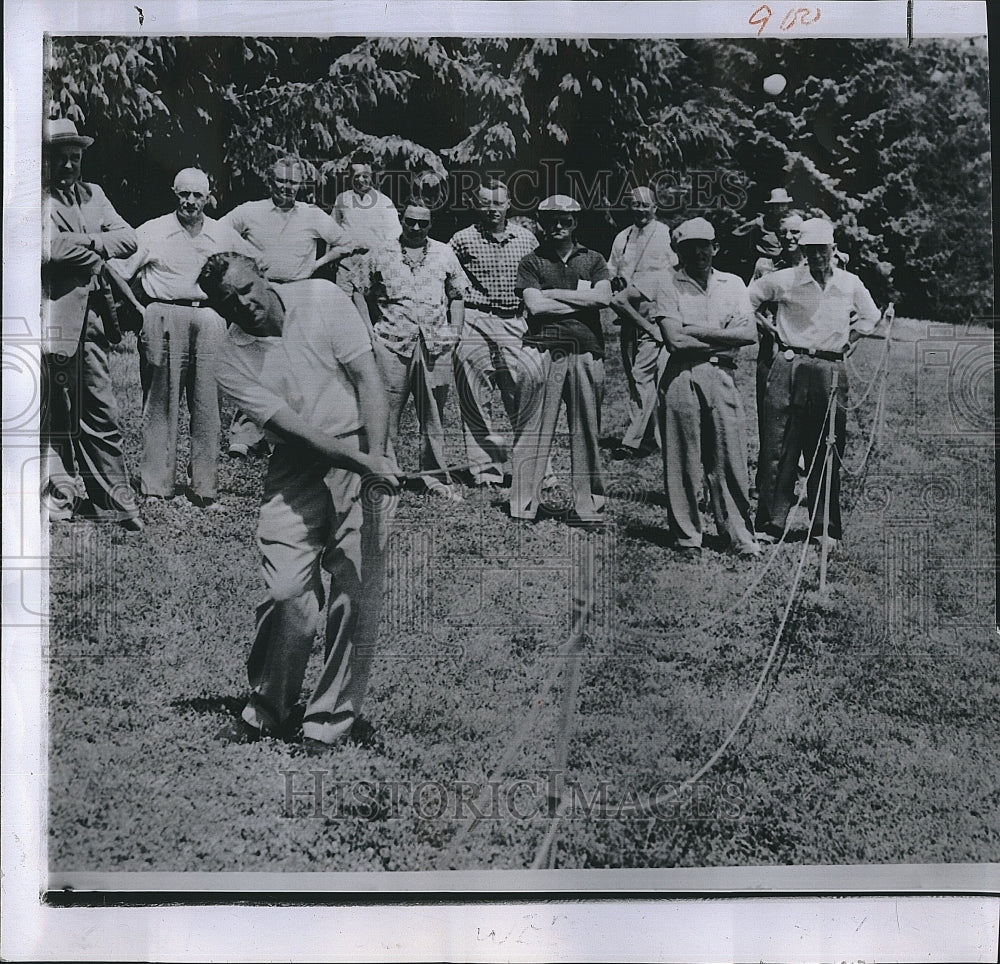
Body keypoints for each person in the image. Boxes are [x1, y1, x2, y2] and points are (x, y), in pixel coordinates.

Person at [198, 251, 399, 751]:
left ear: (263, 272)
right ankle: (269, 707)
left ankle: (330, 719)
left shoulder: (323, 297)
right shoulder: (231, 361)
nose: (244, 304)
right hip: (298, 464)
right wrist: (363, 463)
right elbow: (299, 433)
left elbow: (369, 380)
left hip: (363, 442)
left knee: (355, 591)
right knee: (287, 590)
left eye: (246, 288)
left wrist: (375, 459)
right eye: (228, 301)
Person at [114, 168, 255, 507]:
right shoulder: (152, 230)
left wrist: (232, 310)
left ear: (208, 197)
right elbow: (118, 271)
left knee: (207, 404)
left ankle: (204, 487)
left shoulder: (223, 234)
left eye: (197, 195)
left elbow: (251, 270)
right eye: (184, 194)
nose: (190, 202)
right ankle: (155, 485)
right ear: (174, 194)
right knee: (160, 402)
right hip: (163, 314)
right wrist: (137, 308)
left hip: (209, 319)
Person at [748, 217, 883, 551]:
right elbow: (746, 299)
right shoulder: (785, 279)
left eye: (823, 250)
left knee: (827, 444)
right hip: (789, 363)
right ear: (804, 251)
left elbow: (871, 317)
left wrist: (850, 339)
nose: (818, 257)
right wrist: (769, 327)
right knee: (780, 445)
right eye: (811, 251)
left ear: (834, 249)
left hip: (829, 367)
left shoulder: (850, 283)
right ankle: (770, 522)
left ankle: (825, 527)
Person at [220, 156, 367, 457]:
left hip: (297, 295)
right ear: (269, 181)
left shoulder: (312, 216)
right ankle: (244, 435)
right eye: (281, 181)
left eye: (293, 182)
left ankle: (286, 433)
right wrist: (245, 256)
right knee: (254, 362)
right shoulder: (250, 211)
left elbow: (348, 242)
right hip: (255, 295)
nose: (286, 188)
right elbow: (218, 233)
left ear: (301, 184)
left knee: (293, 363)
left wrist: (316, 264)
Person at [41, 117, 142, 531]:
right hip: (51, 317)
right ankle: (58, 500)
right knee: (54, 412)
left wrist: (90, 244)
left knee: (100, 410)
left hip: (93, 321)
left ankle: (115, 502)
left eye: (75, 158)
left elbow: (129, 238)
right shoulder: (35, 197)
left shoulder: (95, 194)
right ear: (47, 160)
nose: (68, 166)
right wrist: (96, 249)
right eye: (60, 158)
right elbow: (45, 250)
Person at [650, 217, 760, 557]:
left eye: (705, 246)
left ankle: (739, 537)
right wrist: (720, 338)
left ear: (716, 248)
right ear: (679, 251)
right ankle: (687, 537)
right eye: (689, 247)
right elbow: (674, 342)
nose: (699, 252)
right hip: (681, 376)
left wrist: (694, 329)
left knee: (730, 458)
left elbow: (748, 336)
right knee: (682, 457)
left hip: (723, 375)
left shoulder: (734, 283)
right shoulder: (668, 283)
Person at [348, 201, 468, 501]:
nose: (415, 228)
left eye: (422, 223)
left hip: (435, 345)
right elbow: (358, 290)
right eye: (410, 221)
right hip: (391, 343)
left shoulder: (444, 252)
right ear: (401, 220)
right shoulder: (380, 252)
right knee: (384, 414)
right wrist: (368, 331)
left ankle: (436, 477)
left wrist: (455, 330)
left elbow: (457, 295)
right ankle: (385, 473)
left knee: (434, 416)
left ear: (430, 224)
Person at [510, 195, 611, 523]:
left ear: (575, 223)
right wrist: (584, 300)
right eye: (550, 220)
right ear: (541, 223)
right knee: (533, 430)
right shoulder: (531, 261)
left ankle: (589, 505)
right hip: (542, 350)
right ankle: (524, 506)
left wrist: (554, 294)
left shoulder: (594, 259)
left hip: (585, 352)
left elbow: (605, 297)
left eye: (564, 220)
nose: (557, 226)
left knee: (587, 431)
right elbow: (536, 307)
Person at [449, 179, 542, 488]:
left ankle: (536, 469)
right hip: (475, 318)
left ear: (508, 204)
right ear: (477, 205)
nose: (492, 209)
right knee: (475, 394)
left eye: (498, 203)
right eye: (485, 203)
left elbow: (539, 277)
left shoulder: (526, 239)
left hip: (515, 320)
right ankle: (486, 471)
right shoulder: (461, 240)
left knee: (522, 392)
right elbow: (447, 279)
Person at [607, 185, 677, 460]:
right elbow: (612, 269)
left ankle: (632, 440)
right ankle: (652, 436)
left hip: (653, 309)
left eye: (644, 205)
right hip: (626, 311)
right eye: (634, 204)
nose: (639, 209)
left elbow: (673, 271)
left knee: (642, 374)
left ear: (655, 207)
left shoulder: (665, 235)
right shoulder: (623, 237)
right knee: (633, 373)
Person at [749, 212, 804, 497]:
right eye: (784, 232)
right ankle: (765, 484)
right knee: (769, 420)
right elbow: (748, 305)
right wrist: (771, 330)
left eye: (795, 232)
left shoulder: (817, 267)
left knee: (802, 419)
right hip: (772, 352)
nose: (789, 237)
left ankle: (793, 482)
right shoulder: (766, 267)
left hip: (807, 353)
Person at [333, 149, 402, 247]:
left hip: (375, 258)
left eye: (365, 176)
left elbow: (394, 234)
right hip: (346, 258)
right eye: (356, 176)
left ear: (371, 177)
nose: (360, 180)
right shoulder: (342, 199)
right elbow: (333, 231)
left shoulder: (384, 202)